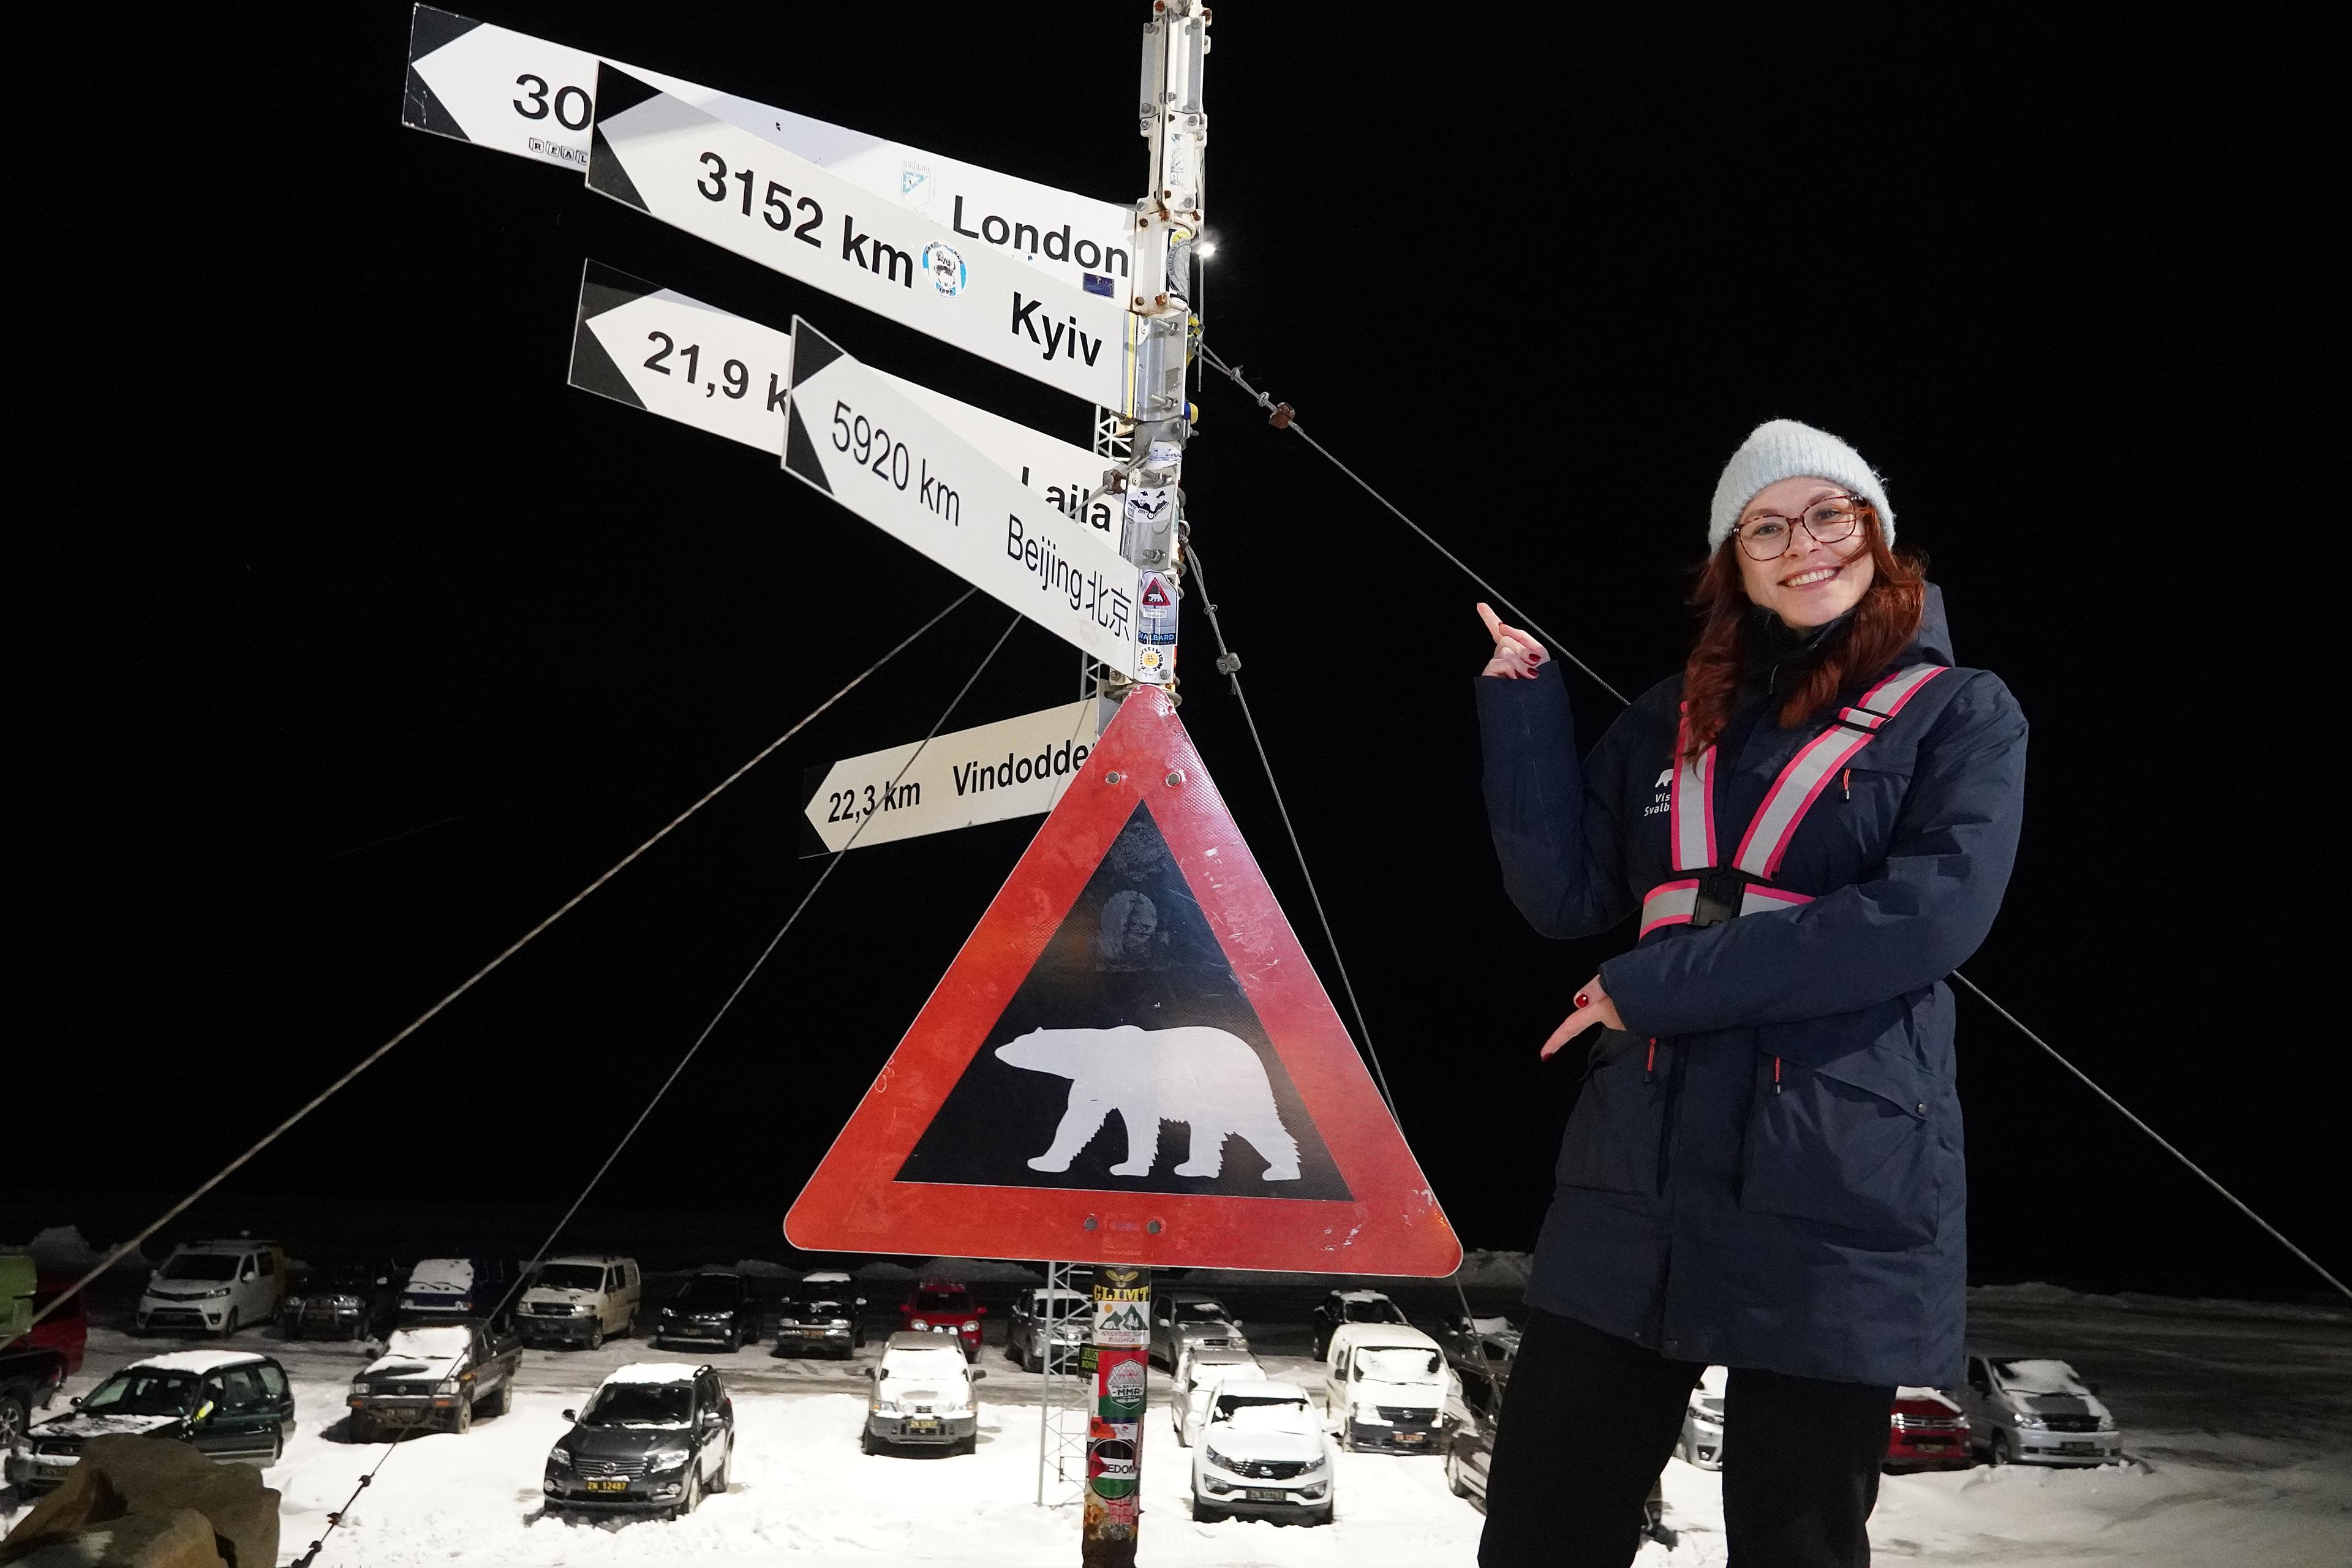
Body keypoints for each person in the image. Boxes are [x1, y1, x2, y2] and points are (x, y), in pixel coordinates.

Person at [1471, 420, 2027, 1568]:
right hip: (1639, 1165)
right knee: (1541, 1528)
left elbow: (1924, 921)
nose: (1802, 544)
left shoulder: (1962, 713)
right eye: (1766, 526)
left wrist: (1655, 986)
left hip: (1835, 1166)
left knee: (1798, 1542)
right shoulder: (1673, 714)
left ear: (1875, 535)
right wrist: (1520, 710)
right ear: (1735, 560)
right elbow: (1566, 896)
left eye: (1830, 516)